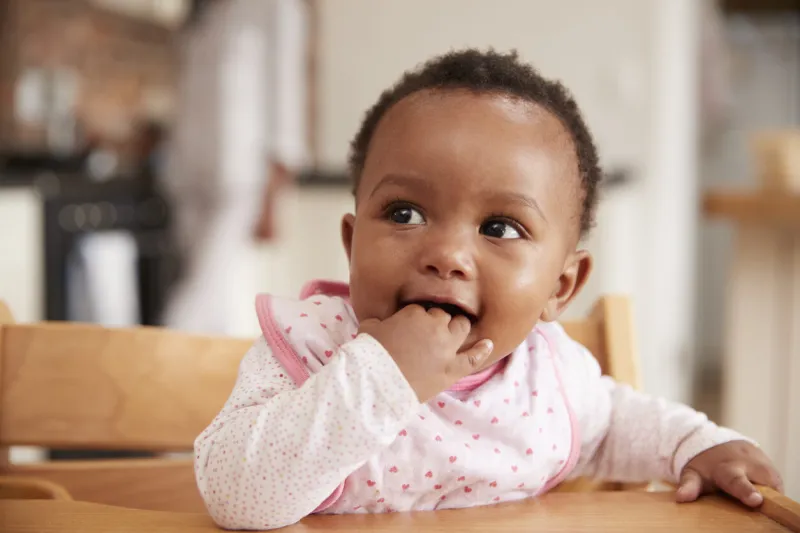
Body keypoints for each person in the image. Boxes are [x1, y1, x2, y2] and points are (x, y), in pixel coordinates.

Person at [193, 50, 782, 530]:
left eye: (500, 228)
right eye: (403, 213)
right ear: (352, 245)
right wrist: (381, 376)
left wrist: (699, 446)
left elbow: (620, 426)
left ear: (561, 286)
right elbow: (235, 494)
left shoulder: (547, 382)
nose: (447, 254)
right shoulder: (310, 348)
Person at [162, 0, 307, 335]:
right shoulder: (202, 15)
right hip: (188, 170)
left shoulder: (277, 7)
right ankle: (220, 377)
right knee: (227, 290)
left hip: (240, 173)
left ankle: (158, 357)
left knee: (203, 287)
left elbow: (285, 92)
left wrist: (275, 189)